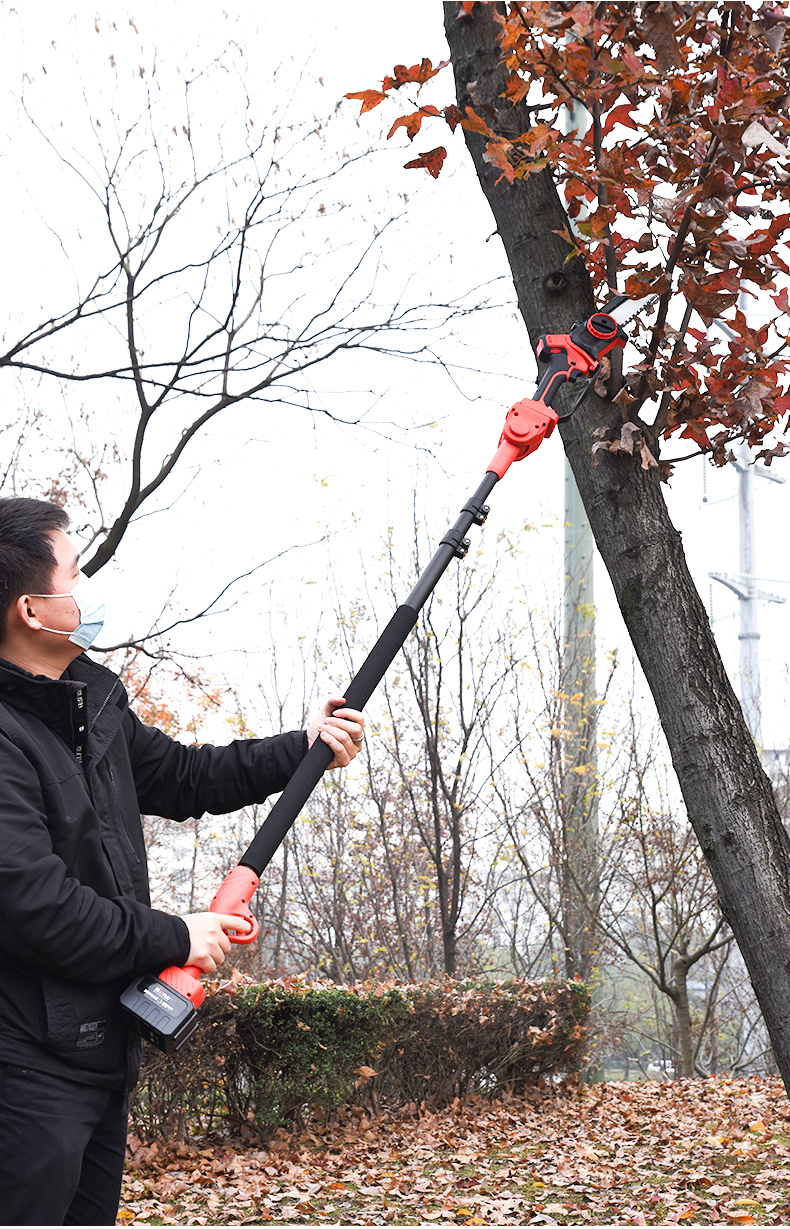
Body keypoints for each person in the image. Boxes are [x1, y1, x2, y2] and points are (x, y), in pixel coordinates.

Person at [0, 496, 365, 1226]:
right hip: (25, 1073)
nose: (89, 589)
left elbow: (189, 776)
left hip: (99, 1055)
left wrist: (303, 747)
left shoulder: (90, 709)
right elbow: (35, 905)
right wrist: (176, 935)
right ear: (33, 610)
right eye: (76, 572)